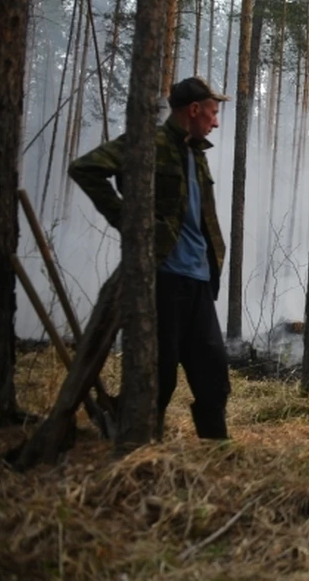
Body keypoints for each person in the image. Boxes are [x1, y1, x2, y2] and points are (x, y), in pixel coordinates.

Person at [69, 77, 231, 440]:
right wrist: (129, 223)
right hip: (162, 277)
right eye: (213, 113)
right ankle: (140, 444)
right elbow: (86, 168)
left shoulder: (195, 153)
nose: (216, 122)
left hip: (199, 279)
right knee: (158, 374)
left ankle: (218, 450)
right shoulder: (150, 143)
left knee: (213, 371)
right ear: (194, 110)